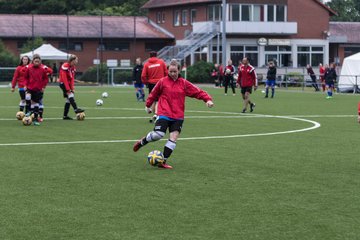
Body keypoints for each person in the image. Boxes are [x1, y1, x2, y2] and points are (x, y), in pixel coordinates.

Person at [133, 59, 214, 169]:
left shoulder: (184, 83)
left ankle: (163, 161)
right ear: (167, 71)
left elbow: (197, 92)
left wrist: (207, 100)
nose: (172, 74)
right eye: (170, 71)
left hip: (178, 115)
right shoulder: (162, 81)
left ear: (179, 70)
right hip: (164, 112)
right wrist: (148, 105)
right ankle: (143, 141)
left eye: (174, 71)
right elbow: (153, 94)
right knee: (158, 135)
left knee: (174, 137)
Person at [141, 51, 168, 123]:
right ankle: (156, 114)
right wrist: (166, 80)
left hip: (151, 84)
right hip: (160, 82)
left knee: (153, 99)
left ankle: (154, 114)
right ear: (156, 55)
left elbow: (143, 76)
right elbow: (166, 72)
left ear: (149, 56)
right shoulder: (161, 62)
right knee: (159, 100)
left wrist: (146, 82)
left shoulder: (146, 64)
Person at [23, 54, 49, 126]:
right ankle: (28, 111)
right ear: (33, 61)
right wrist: (25, 85)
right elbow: (25, 78)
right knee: (27, 97)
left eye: (38, 61)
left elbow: (46, 79)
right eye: (35, 61)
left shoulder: (42, 69)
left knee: (36, 104)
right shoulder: (29, 68)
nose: (37, 63)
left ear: (40, 61)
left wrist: (43, 87)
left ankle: (35, 120)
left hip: (38, 89)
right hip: (29, 87)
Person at [59, 54, 84, 120]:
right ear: (72, 60)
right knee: (70, 95)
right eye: (76, 60)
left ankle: (65, 116)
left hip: (68, 84)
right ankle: (76, 109)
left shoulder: (73, 68)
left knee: (68, 100)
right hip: (63, 84)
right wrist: (68, 89)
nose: (77, 61)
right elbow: (64, 79)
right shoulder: (65, 66)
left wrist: (72, 88)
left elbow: (72, 79)